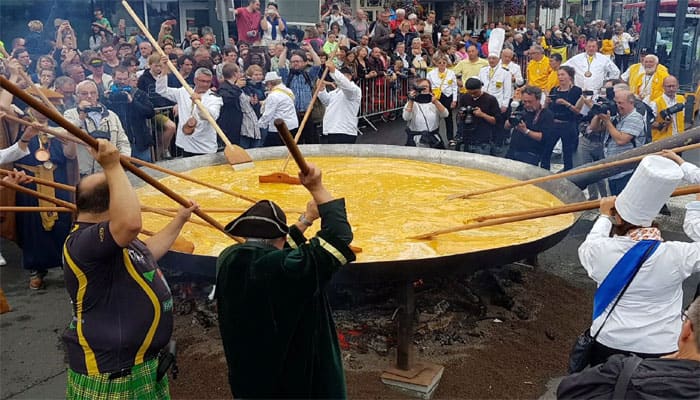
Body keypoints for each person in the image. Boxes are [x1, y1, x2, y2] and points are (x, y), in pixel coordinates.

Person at [63, 138, 196, 399]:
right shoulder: (83, 241)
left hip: (138, 366)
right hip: (111, 374)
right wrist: (113, 167)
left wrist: (179, 219)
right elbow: (132, 223)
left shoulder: (113, 240)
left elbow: (146, 253)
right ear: (115, 204)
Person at [216, 163, 355, 398]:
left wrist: (307, 219)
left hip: (250, 380)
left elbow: (278, 250)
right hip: (292, 384)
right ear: (280, 238)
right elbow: (338, 238)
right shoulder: (284, 270)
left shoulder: (229, 259)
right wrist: (317, 188)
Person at [575, 154, 700, 369]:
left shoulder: (600, 250)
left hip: (609, 340)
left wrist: (604, 216)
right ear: (652, 220)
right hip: (661, 345)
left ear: (618, 217)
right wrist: (696, 209)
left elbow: (590, 242)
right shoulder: (677, 254)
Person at [558, 296, 700, 399]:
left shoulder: (622, 372)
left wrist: (659, 365)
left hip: (610, 337)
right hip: (659, 342)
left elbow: (568, 390)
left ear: (687, 330)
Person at [156, 58, 222, 156]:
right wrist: (164, 71)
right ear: (195, 80)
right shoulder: (184, 91)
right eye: (202, 81)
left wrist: (199, 104)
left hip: (205, 146)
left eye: (208, 82)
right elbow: (161, 90)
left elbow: (211, 116)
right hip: (186, 143)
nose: (205, 84)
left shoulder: (215, 98)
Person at [64, 80, 131, 176]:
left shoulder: (111, 115)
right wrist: (81, 115)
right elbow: (70, 132)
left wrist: (124, 160)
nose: (89, 96)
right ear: (77, 96)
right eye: (84, 93)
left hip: (110, 171)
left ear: (98, 95)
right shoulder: (70, 114)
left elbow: (122, 141)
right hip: (85, 173)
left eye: (93, 93)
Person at [588, 89, 645, 195]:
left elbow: (621, 140)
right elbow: (593, 128)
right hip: (613, 169)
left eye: (620, 103)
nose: (617, 106)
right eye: (616, 102)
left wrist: (607, 121)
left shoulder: (635, 118)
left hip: (627, 170)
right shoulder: (617, 116)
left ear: (631, 103)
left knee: (623, 202)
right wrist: (598, 113)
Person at [103, 66, 155, 162]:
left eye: (125, 79)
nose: (122, 82)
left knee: (146, 172)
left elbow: (150, 113)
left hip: (139, 142)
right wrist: (105, 100)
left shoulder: (139, 93)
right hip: (119, 144)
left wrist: (132, 102)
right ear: (113, 78)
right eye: (119, 79)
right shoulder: (108, 95)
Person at [278, 43, 321, 144]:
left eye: (297, 61)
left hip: (307, 114)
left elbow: (318, 64)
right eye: (293, 62)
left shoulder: (309, 76)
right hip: (293, 114)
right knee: (295, 141)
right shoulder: (287, 76)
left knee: (310, 139)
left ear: (304, 63)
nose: (295, 63)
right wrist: (285, 50)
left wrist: (310, 49)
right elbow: (281, 65)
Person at [542, 65, 581, 171]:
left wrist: (565, 103)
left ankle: (568, 175)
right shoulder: (554, 90)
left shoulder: (576, 91)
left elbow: (578, 110)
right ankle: (544, 173)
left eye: (563, 74)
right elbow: (546, 109)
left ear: (570, 76)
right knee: (546, 151)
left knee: (567, 153)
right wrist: (546, 102)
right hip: (553, 123)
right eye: (559, 75)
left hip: (568, 124)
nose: (560, 77)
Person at [505, 85, 554, 166]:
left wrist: (525, 131)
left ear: (538, 100)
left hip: (531, 154)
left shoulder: (546, 114)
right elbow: (506, 127)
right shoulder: (520, 108)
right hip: (512, 151)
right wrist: (511, 120)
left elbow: (543, 137)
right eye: (525, 101)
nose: (527, 104)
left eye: (530, 102)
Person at [317, 62, 361, 144]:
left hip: (344, 131)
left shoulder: (354, 90)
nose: (340, 79)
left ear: (350, 77)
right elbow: (326, 101)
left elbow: (345, 84)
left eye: (345, 76)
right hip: (331, 130)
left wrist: (334, 71)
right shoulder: (335, 92)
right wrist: (322, 90)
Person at [457, 77, 500, 155]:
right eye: (470, 93)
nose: (472, 95)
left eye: (475, 92)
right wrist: (462, 115)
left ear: (481, 88)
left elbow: (496, 121)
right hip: (467, 137)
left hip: (483, 139)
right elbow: (460, 116)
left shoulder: (491, 100)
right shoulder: (464, 97)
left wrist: (482, 115)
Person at [402, 78, 448, 148]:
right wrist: (411, 100)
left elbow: (445, 114)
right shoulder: (412, 103)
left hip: (433, 139)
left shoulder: (434, 102)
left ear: (430, 88)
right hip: (416, 140)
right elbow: (406, 117)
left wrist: (436, 102)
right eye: (422, 87)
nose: (424, 88)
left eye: (426, 86)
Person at [257, 71, 298, 146]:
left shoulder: (273, 96)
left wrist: (259, 125)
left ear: (269, 84)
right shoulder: (288, 91)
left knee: (270, 149)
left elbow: (268, 114)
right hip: (292, 125)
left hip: (278, 128)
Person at [426, 56, 458, 145]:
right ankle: (434, 137)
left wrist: (454, 100)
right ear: (436, 64)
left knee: (448, 118)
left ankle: (450, 138)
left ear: (446, 63)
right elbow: (428, 86)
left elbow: (454, 87)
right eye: (439, 63)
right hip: (436, 97)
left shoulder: (451, 73)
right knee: (435, 117)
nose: (442, 65)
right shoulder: (431, 73)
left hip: (448, 96)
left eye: (444, 63)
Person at [216, 62, 247, 146]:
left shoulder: (236, 86)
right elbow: (226, 99)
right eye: (239, 72)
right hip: (228, 125)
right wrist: (236, 87)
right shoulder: (223, 87)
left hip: (237, 124)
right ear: (235, 73)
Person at [650, 76, 686, 142]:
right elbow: (648, 122)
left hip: (679, 140)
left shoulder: (682, 99)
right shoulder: (655, 103)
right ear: (663, 87)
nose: (671, 89)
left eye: (673, 86)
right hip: (662, 142)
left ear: (677, 86)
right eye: (668, 86)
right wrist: (661, 124)